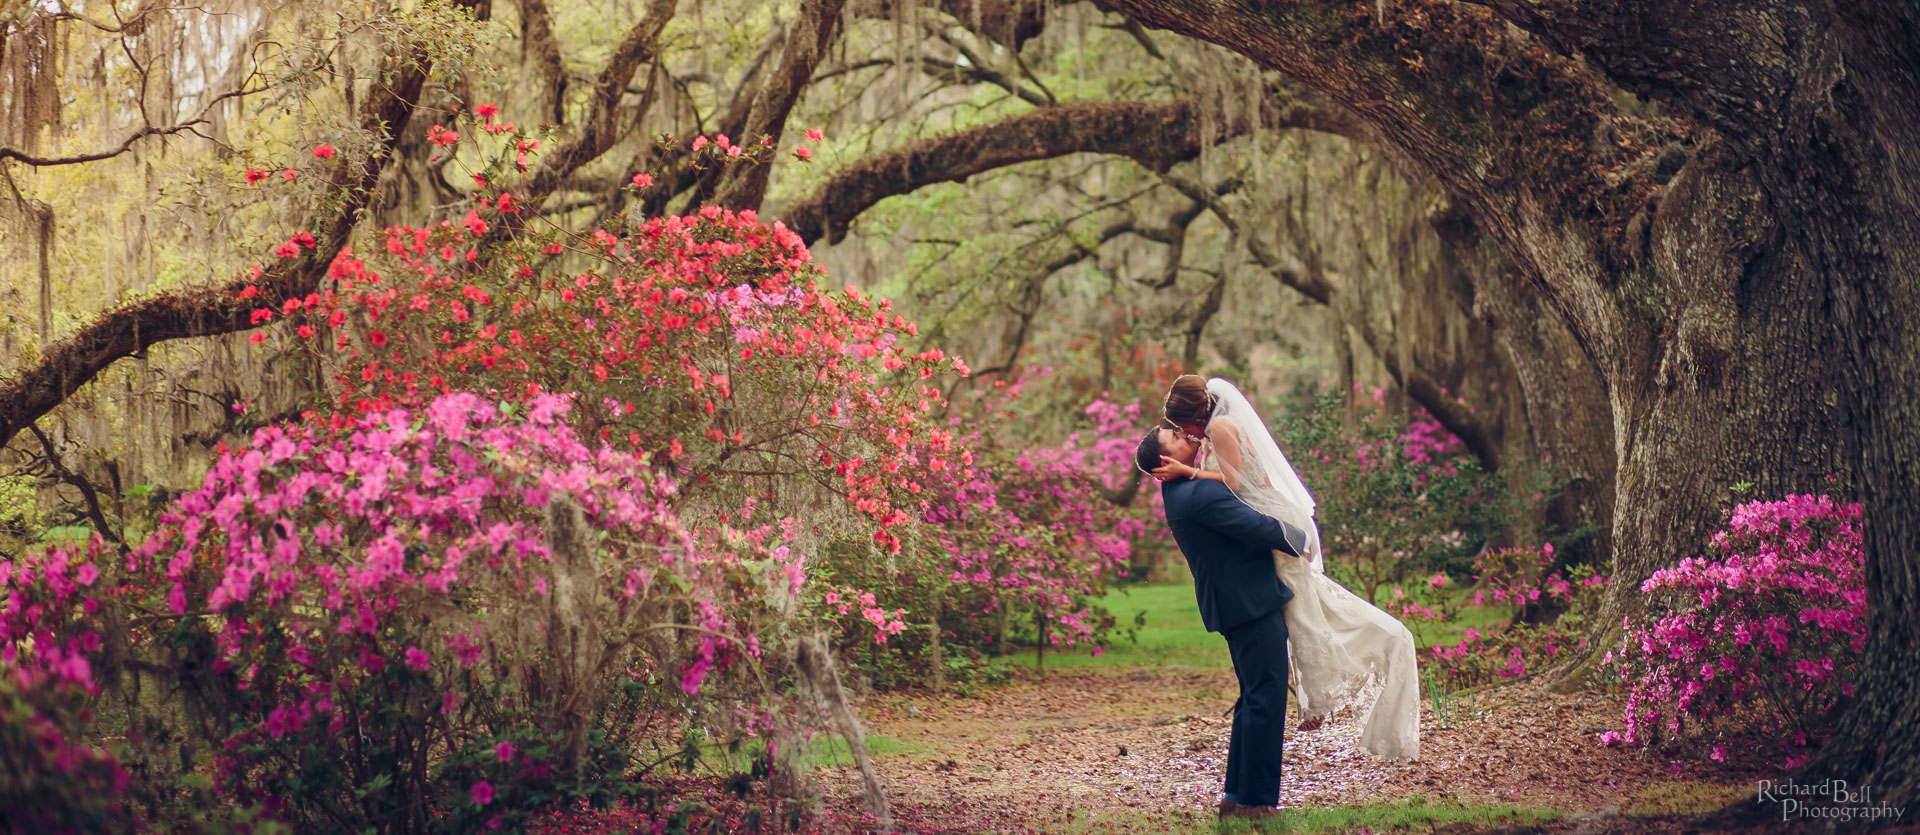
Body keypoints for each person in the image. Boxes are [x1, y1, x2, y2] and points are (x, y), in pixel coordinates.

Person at [1152, 374, 1421, 762]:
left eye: (1183, 425)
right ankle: (1316, 697)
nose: (1185, 434)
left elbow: (1232, 484)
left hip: (1273, 523)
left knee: (1302, 611)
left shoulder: (1221, 427)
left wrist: (1189, 472)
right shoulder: (1213, 432)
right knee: (1299, 609)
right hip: (1260, 528)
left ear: (1196, 415)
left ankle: (1320, 698)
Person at [1136, 425, 1307, 819]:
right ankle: (1258, 803)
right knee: (1266, 698)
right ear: (1167, 460)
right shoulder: (1197, 494)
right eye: (1175, 436)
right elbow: (1255, 527)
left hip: (1234, 605)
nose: (1185, 435)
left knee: (1253, 698)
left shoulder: (1180, 491)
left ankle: (1235, 798)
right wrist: (1301, 537)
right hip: (1249, 604)